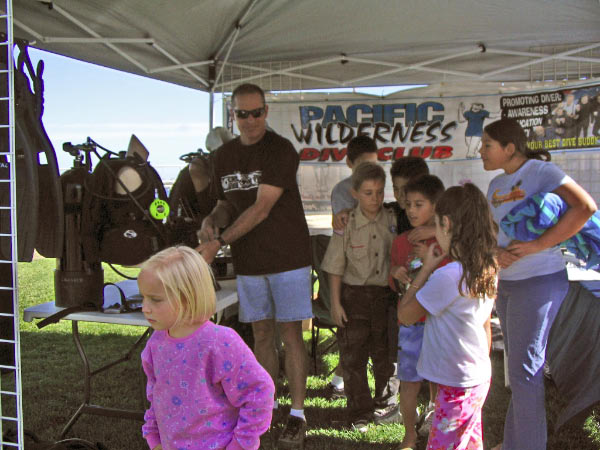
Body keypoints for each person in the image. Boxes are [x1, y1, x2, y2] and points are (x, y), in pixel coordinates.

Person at [197, 83, 312, 448]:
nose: (249, 121)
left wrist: (219, 241)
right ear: (232, 115)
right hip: (249, 261)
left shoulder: (280, 150)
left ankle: (297, 413)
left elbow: (262, 208)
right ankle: (267, 404)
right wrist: (212, 219)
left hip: (288, 257)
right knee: (261, 334)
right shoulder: (224, 155)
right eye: (242, 114)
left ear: (266, 111)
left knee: (291, 334)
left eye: (256, 112)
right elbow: (226, 202)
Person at [480, 118, 597, 450]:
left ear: (509, 148)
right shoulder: (494, 187)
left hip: (540, 282)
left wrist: (538, 245)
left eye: (487, 145)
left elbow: (585, 208)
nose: (480, 151)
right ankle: (515, 442)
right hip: (510, 284)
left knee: (526, 372)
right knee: (520, 373)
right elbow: (492, 233)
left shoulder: (541, 172)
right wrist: (494, 251)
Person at [139, 246, 275, 450]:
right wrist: (154, 439)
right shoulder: (156, 343)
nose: (144, 307)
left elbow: (259, 391)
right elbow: (155, 397)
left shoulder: (220, 342)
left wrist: (241, 444)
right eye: (143, 297)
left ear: (186, 297)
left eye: (155, 299)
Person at [397, 183, 497, 450]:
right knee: (470, 444)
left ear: (447, 224)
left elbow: (405, 314)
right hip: (476, 376)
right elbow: (485, 326)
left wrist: (426, 269)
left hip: (456, 384)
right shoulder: (485, 266)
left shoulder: (448, 275)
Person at [321, 162, 398, 432]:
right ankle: (359, 412)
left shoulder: (392, 219)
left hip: (385, 297)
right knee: (353, 357)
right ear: (354, 193)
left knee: (384, 354)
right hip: (354, 297)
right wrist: (335, 304)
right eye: (368, 193)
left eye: (379, 192)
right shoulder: (347, 223)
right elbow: (334, 266)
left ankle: (386, 404)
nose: (375, 198)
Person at [389, 174, 447, 449]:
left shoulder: (448, 241)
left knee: (440, 382)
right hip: (411, 325)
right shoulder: (400, 241)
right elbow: (394, 279)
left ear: (436, 206)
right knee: (409, 383)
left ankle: (437, 425)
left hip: (441, 324)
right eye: (408, 204)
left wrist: (435, 235)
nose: (411, 210)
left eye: (419, 204)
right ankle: (409, 435)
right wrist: (396, 274)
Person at [330, 135, 378, 230]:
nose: (369, 170)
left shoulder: (378, 184)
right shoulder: (342, 189)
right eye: (363, 165)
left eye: (373, 165)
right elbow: (350, 224)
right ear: (349, 163)